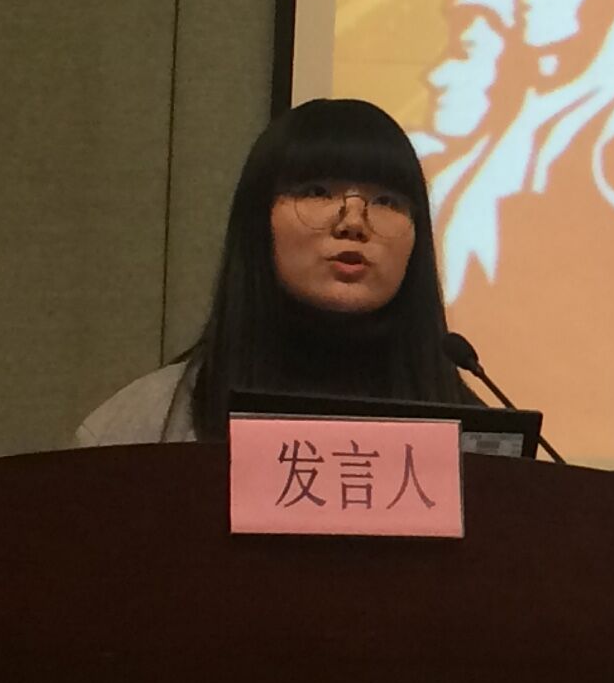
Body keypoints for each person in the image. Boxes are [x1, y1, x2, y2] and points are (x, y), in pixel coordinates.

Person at [77, 98, 467, 445]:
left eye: (386, 200)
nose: (353, 222)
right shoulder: (140, 427)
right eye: (317, 192)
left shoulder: (478, 438)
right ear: (259, 220)